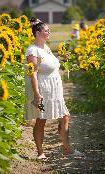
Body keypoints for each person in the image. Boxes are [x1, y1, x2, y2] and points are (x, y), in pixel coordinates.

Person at [24, 17, 81, 160]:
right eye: (46, 30)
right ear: (37, 33)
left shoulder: (46, 47)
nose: (49, 32)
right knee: (41, 119)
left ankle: (67, 149)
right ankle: (40, 153)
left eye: (49, 30)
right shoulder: (32, 51)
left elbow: (49, 65)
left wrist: (62, 58)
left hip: (55, 90)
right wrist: (37, 94)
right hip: (43, 91)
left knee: (65, 116)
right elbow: (33, 73)